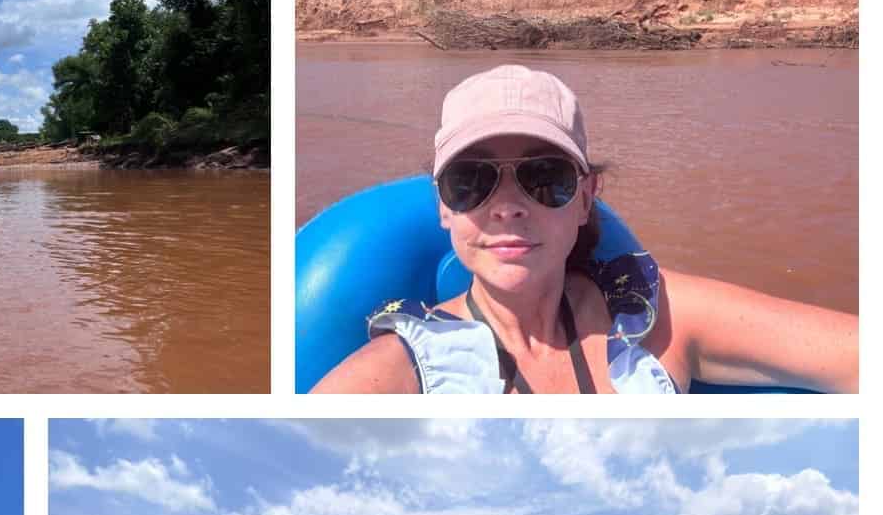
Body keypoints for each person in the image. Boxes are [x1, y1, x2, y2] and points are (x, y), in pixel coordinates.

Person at [311, 64, 858, 395]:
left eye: (543, 178)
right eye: (470, 181)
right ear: (443, 208)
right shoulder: (394, 374)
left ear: (586, 197)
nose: (508, 207)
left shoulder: (659, 313)